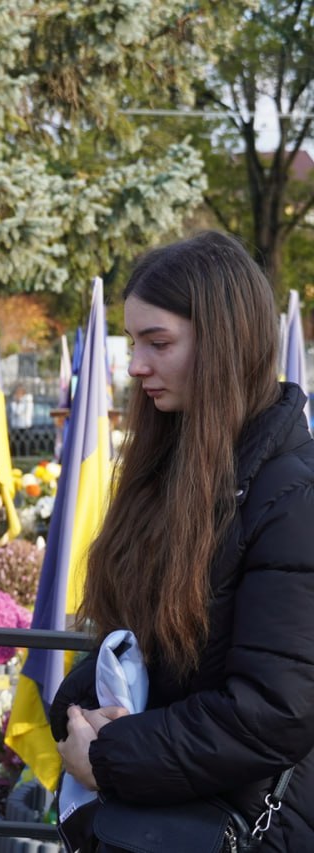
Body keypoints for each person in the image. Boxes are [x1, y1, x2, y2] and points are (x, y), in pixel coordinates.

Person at [51, 231, 314, 848]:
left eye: (158, 342)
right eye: (133, 341)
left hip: (243, 828)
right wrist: (77, 713)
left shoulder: (293, 500)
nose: (136, 365)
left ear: (225, 343)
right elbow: (149, 652)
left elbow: (275, 710)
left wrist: (111, 756)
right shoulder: (179, 469)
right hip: (163, 818)